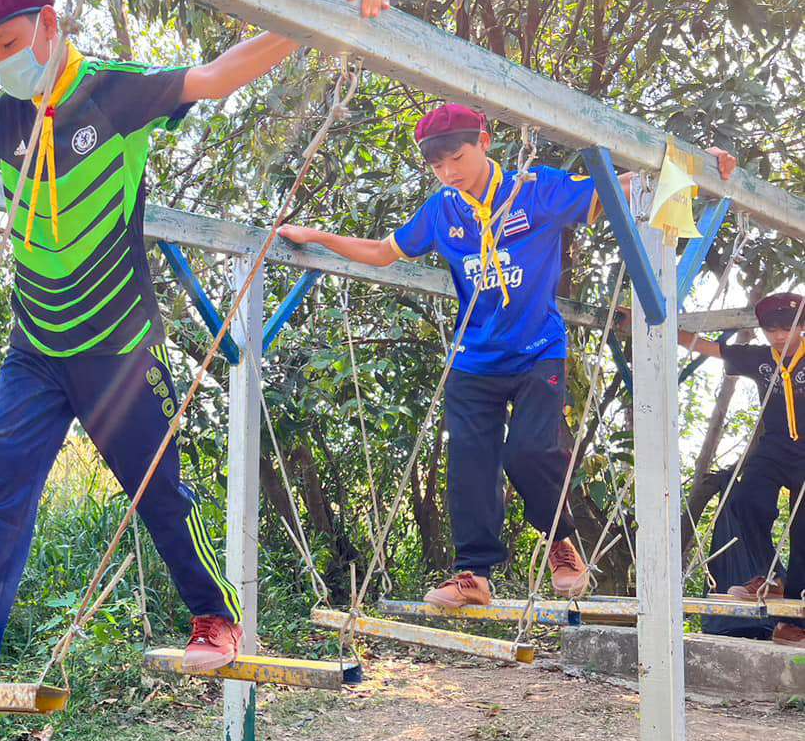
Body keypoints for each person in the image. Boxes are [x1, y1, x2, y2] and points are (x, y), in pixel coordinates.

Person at [0, 0, 389, 683]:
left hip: (116, 344)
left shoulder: (114, 90)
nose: (1, 64)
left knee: (158, 488)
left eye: (8, 44)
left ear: (49, 24)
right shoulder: (6, 119)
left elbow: (218, 76)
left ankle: (214, 615)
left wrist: (316, 19)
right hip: (36, 345)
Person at [278, 103, 735, 608]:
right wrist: (315, 236)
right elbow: (383, 252)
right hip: (473, 360)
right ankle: (473, 575)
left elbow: (618, 186)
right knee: (470, 464)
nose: (448, 173)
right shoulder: (442, 210)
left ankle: (561, 542)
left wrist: (696, 168)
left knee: (530, 452)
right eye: (437, 166)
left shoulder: (534, 189)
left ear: (485, 142)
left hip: (538, 352)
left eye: (456, 158)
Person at [679, 292, 805, 648]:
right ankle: (771, 576)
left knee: (803, 532)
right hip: (774, 449)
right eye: (771, 329)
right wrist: (660, 324)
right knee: (746, 501)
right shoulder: (760, 358)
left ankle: (791, 624)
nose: (779, 336)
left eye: (787, 328)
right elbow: (708, 347)